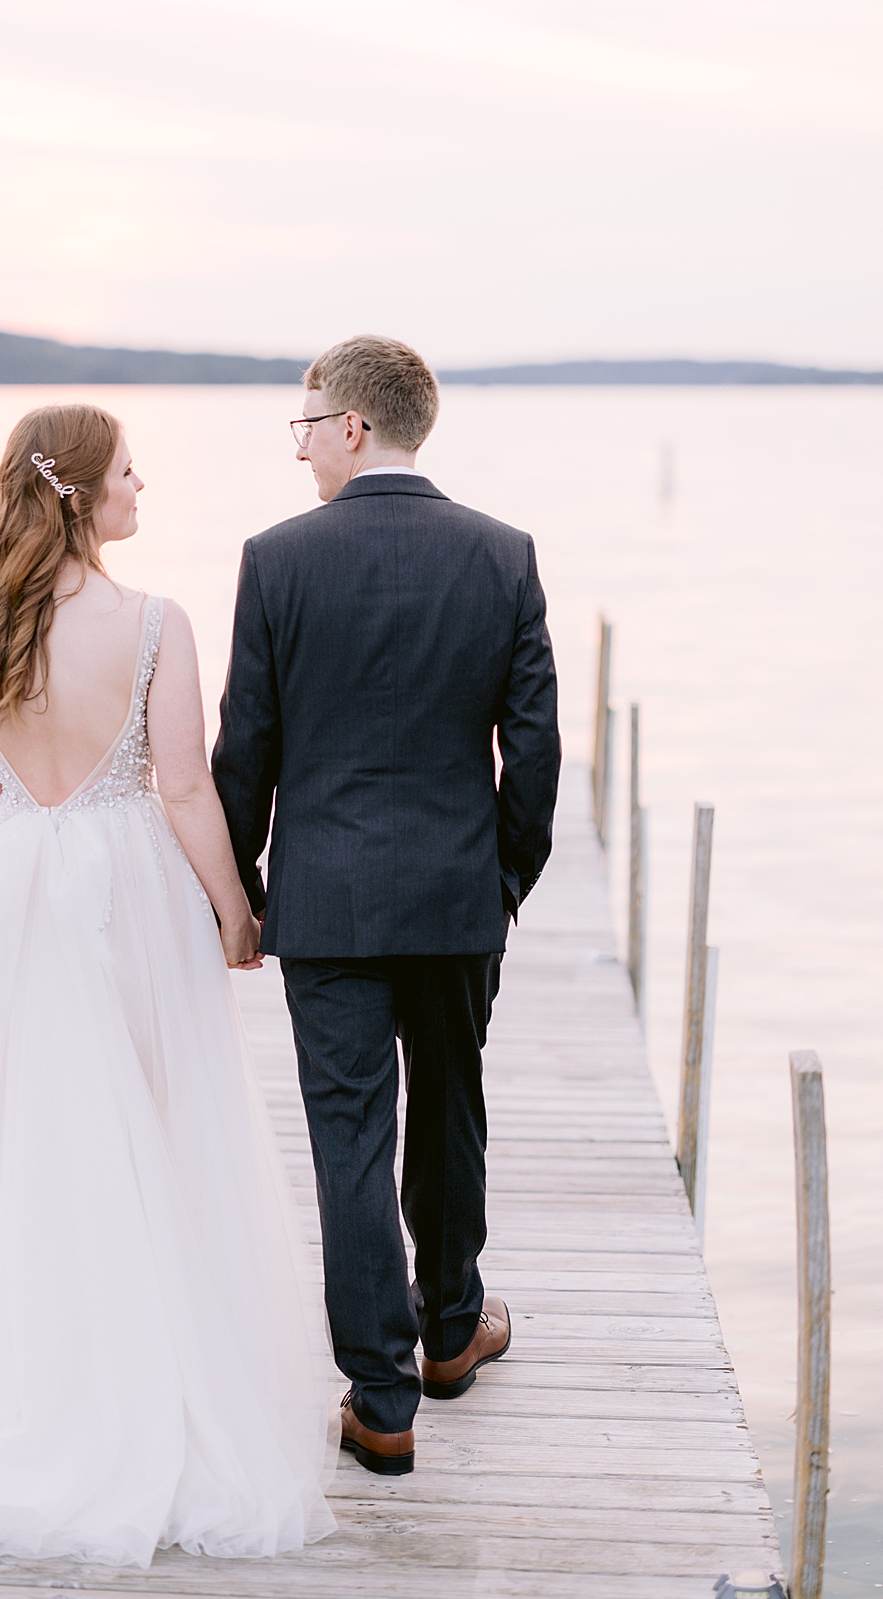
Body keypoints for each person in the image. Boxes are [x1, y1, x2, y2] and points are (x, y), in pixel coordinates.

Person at [0, 403, 335, 1564]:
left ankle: (38, 1366)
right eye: (132, 474)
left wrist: (22, 881)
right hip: (124, 881)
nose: (145, 491)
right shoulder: (151, 623)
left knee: (32, 1128)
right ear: (83, 493)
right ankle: (143, 1375)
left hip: (10, 887)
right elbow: (185, 790)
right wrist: (235, 908)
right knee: (154, 1119)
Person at [212, 336, 561, 1477]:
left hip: (326, 906)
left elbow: (245, 751)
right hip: (456, 896)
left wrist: (248, 887)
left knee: (348, 1136)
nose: (300, 443)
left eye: (306, 424)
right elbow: (537, 752)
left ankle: (380, 1395)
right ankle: (452, 1333)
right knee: (449, 1108)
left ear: (353, 428)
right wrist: (500, 878)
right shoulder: (501, 555)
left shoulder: (276, 560)